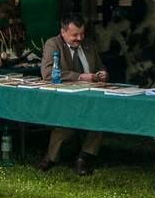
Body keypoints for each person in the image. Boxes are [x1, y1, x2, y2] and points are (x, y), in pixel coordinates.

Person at [37, 13, 108, 176]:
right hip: (65, 98)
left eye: (82, 33)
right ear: (63, 32)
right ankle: (51, 157)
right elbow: (47, 73)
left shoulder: (89, 45)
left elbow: (100, 66)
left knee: (100, 117)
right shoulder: (53, 44)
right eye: (75, 35)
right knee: (65, 123)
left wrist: (103, 73)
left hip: (91, 96)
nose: (80, 38)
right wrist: (80, 77)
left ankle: (84, 157)